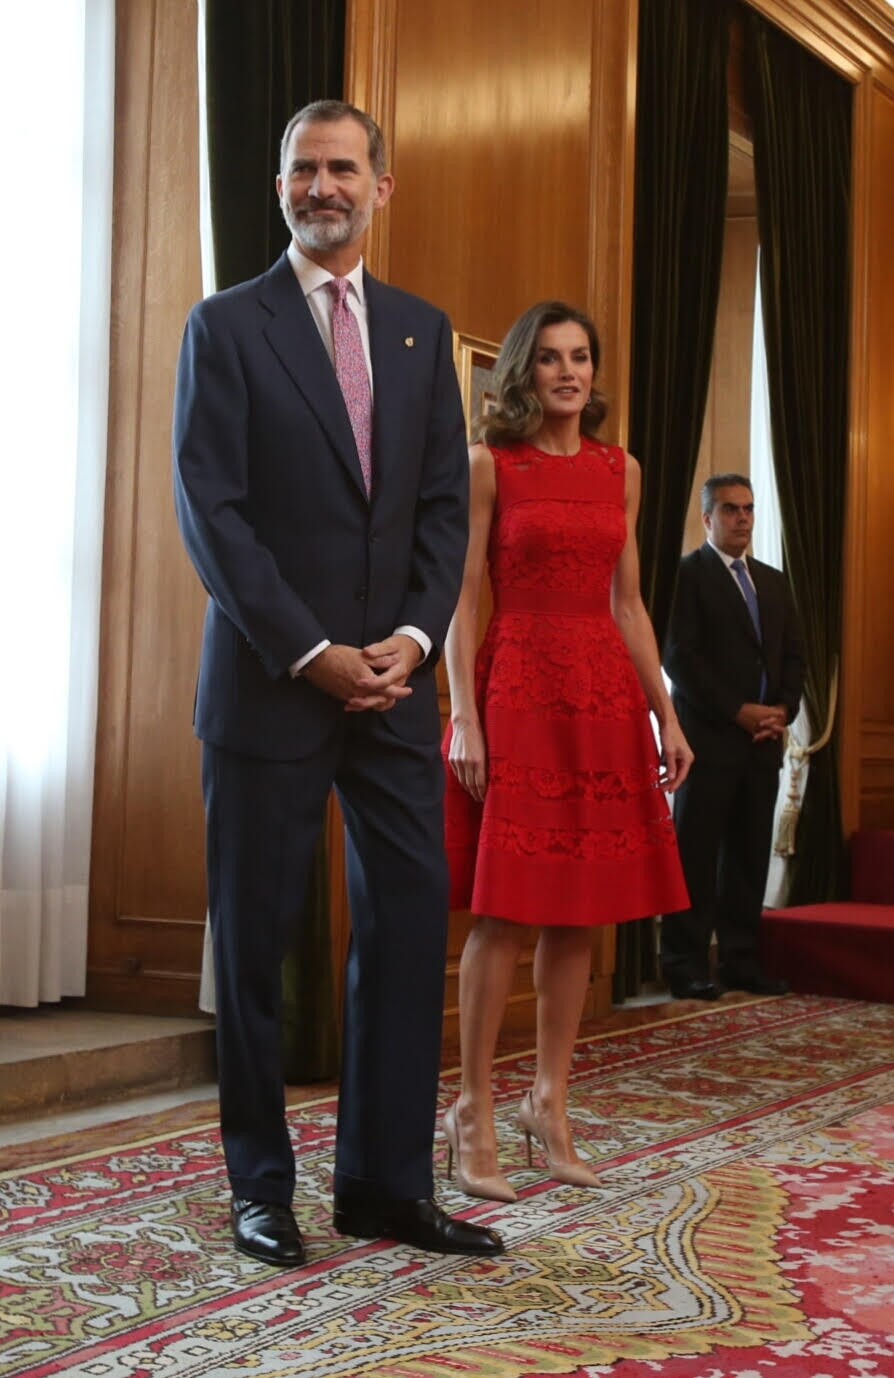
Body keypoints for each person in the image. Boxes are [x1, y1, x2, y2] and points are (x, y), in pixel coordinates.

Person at [173, 100, 502, 1266]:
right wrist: (313, 651)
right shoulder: (225, 326)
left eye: (343, 168)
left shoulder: (421, 331)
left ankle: (384, 1185)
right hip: (273, 684)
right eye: (304, 170)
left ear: (382, 186)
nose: (325, 186)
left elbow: (439, 512)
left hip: (398, 691)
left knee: (408, 931)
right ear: (278, 191)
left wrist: (414, 640)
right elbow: (212, 513)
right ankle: (262, 1188)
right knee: (258, 948)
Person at [442, 301, 692, 1201]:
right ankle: (472, 1107)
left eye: (580, 357)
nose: (567, 373)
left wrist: (666, 712)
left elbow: (628, 604)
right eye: (549, 359)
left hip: (600, 693)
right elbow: (466, 596)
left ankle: (549, 1104)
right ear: (523, 371)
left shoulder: (619, 470)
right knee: (504, 909)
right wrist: (463, 714)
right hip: (515, 689)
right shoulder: (488, 466)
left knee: (578, 913)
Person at [661, 473, 804, 1000]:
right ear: (706, 519)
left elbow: (793, 653)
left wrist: (782, 710)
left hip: (762, 743)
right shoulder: (685, 576)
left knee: (748, 855)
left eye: (747, 509)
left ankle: (741, 961)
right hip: (706, 742)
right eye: (730, 510)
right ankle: (684, 964)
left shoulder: (773, 580)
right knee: (695, 856)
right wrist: (736, 710)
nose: (742, 518)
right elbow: (679, 656)